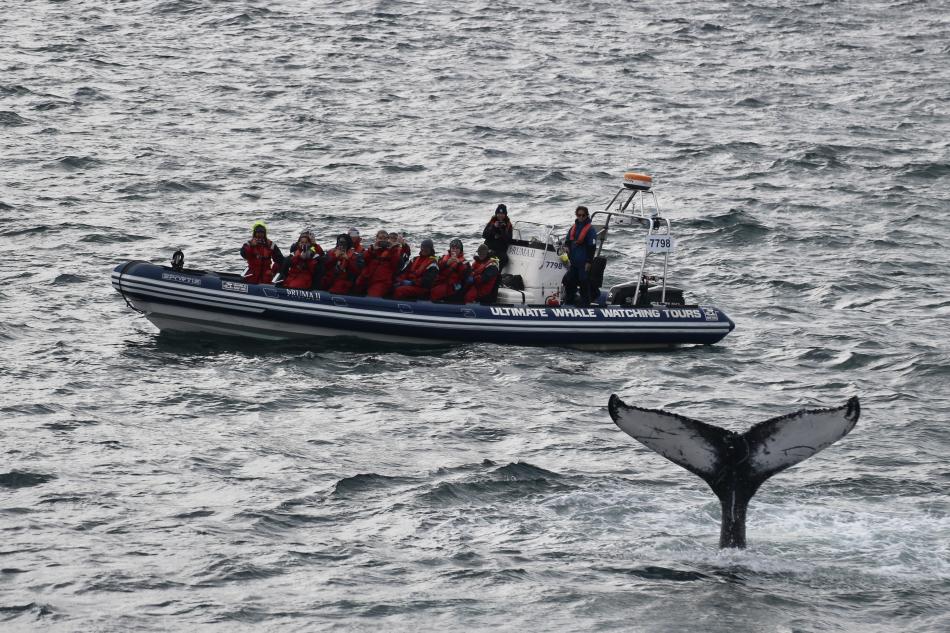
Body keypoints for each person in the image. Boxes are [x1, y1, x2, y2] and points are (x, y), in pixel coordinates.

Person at [562, 205, 598, 306]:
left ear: (587, 216)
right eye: (579, 215)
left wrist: (589, 262)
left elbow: (592, 247)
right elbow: (568, 241)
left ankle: (586, 305)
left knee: (583, 283)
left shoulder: (590, 230)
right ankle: (569, 302)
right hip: (573, 262)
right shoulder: (573, 227)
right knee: (569, 281)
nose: (581, 217)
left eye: (583, 215)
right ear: (576, 215)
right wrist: (566, 247)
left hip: (583, 263)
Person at [354, 230, 404, 297]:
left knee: (373, 295)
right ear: (376, 239)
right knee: (356, 286)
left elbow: (396, 265)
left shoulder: (393, 252)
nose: (382, 241)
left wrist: (392, 249)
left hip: (381, 281)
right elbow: (364, 259)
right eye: (380, 238)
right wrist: (372, 250)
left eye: (385, 238)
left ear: (388, 240)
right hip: (367, 278)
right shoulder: (372, 250)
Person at [430, 238, 470, 303]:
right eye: (453, 248)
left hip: (454, 286)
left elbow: (465, 275)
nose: (454, 250)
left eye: (457, 248)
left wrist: (459, 264)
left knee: (437, 291)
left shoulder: (465, 262)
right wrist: (446, 263)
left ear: (460, 250)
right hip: (440, 282)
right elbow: (436, 268)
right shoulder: (443, 258)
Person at [481, 203, 513, 271]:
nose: (500, 215)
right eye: (498, 213)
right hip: (489, 248)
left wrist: (503, 230)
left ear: (505, 215)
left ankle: (497, 274)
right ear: (496, 214)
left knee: (504, 259)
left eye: (502, 214)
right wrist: (494, 227)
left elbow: (509, 240)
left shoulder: (508, 225)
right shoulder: (492, 222)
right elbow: (484, 235)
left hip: (500, 251)